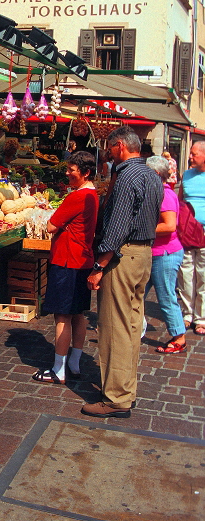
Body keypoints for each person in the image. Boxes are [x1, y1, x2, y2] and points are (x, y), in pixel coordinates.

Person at [84, 126, 163, 418]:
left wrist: (99, 265)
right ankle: (126, 390)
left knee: (115, 327)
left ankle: (116, 397)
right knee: (131, 326)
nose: (107, 152)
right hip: (142, 255)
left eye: (109, 147)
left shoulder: (127, 176)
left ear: (119, 146)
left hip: (123, 256)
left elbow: (117, 227)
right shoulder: (151, 175)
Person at [32, 151, 99, 384]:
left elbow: (51, 226)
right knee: (78, 313)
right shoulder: (93, 195)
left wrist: (55, 221)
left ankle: (58, 368)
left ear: (86, 172)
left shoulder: (76, 197)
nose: (68, 173)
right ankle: (74, 362)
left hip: (66, 259)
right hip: (83, 259)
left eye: (72, 170)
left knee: (62, 316)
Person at [144, 156, 186, 353]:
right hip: (155, 253)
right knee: (137, 293)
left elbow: (170, 225)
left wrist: (143, 229)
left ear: (155, 174)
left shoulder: (165, 194)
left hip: (165, 253)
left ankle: (179, 337)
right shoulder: (157, 192)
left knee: (166, 296)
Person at [177, 140, 205, 335]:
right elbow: (180, 200)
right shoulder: (186, 175)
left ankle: (201, 317)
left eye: (194, 153)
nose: (190, 157)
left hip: (204, 232)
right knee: (186, 274)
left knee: (203, 276)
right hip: (187, 233)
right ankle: (187, 314)